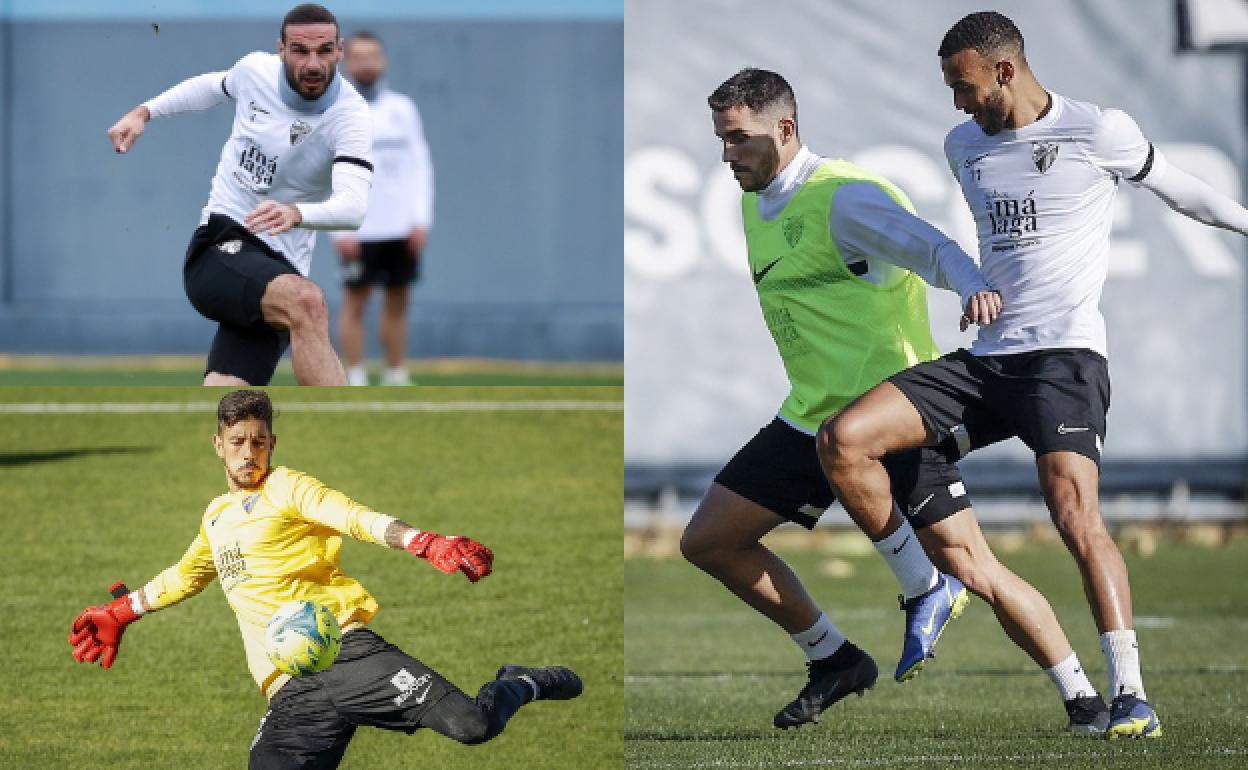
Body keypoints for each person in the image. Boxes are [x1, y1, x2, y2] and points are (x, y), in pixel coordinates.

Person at [819, 11, 1248, 740]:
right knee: (847, 439)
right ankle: (943, 600)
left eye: (963, 86)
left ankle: (1130, 692)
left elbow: (1184, 192)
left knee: (1074, 515)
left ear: (1005, 71)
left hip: (1063, 360)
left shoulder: (1098, 130)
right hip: (986, 361)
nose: (957, 104)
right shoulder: (963, 146)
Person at [685, 68, 1106, 733]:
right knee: (710, 540)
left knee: (975, 568)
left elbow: (930, 246)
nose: (727, 155)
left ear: (784, 130)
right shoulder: (753, 197)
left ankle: (1082, 695)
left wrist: (971, 285)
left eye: (738, 139)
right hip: (811, 416)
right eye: (721, 140)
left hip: (888, 421)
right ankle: (835, 659)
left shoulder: (845, 197)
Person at [68, 389, 582, 768]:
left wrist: (424, 541)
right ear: (218, 445)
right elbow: (187, 574)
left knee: (473, 726)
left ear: (272, 443)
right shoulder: (215, 517)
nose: (250, 454)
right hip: (290, 689)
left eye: (259, 442)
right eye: (238, 442)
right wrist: (122, 611)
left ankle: (518, 683)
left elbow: (353, 515)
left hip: (349, 653)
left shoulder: (288, 486)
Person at [106, 4, 372, 386]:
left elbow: (355, 207)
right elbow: (209, 88)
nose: (313, 63)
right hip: (220, 244)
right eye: (300, 50)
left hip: (280, 273)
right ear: (281, 49)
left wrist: (297, 212)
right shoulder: (254, 71)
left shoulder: (351, 116)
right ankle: (351, 437)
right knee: (308, 302)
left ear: (339, 50)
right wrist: (144, 112)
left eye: (324, 51)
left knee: (227, 404)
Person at [330, 31, 435, 387]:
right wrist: (339, 229)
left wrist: (420, 219)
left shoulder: (403, 110)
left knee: (397, 301)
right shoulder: (336, 110)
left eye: (373, 55)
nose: (367, 62)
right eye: (359, 56)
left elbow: (420, 166)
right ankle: (355, 375)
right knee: (356, 301)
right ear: (346, 62)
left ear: (383, 60)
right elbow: (327, 172)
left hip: (400, 227)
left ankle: (395, 373)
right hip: (359, 226)